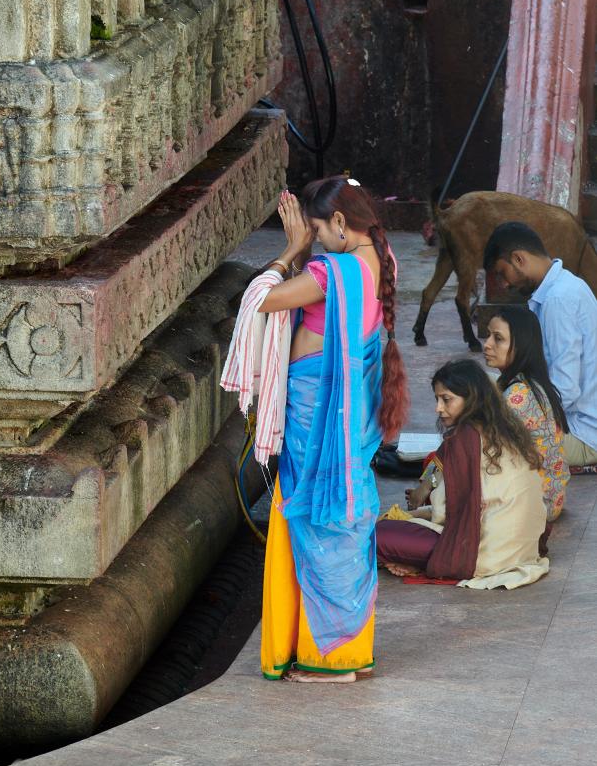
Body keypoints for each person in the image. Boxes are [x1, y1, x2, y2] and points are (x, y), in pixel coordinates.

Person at [223, 176, 409, 682]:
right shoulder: (382, 261)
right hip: (350, 410)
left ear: (342, 224)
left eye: (321, 229)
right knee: (343, 516)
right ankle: (350, 653)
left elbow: (261, 299)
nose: (318, 237)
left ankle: (330, 661)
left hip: (317, 408)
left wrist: (291, 248)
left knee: (321, 518)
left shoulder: (333, 272)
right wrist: (312, 245)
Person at [377, 360, 549, 589]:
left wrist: (421, 514)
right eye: (437, 399)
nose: (438, 408)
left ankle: (420, 563)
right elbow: (443, 469)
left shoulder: (464, 438)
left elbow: (453, 512)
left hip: (483, 555)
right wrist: (426, 487)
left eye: (446, 400)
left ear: (471, 398)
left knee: (376, 534)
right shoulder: (501, 428)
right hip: (521, 547)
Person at [483, 222, 597, 468]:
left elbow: (565, 389)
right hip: (575, 421)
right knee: (480, 387)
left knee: (484, 432)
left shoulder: (559, 299)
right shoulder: (565, 286)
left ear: (519, 259)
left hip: (582, 434)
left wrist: (510, 414)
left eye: (502, 273)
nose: (503, 284)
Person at [483, 305, 569, 523]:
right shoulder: (531, 382)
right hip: (553, 498)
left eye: (498, 339)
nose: (487, 344)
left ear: (520, 346)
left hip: (537, 504)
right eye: (488, 335)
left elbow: (483, 449)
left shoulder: (517, 396)